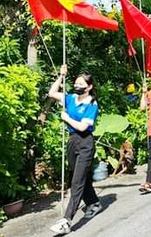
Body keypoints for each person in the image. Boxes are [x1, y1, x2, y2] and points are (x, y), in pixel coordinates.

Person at [48, 65, 101, 235]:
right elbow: (52, 93)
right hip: (72, 142)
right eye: (76, 83)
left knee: (76, 182)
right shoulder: (70, 98)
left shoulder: (92, 104)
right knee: (78, 177)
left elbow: (83, 126)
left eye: (81, 84)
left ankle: (66, 220)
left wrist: (66, 118)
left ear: (89, 87)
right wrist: (61, 77)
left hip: (85, 143)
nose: (77, 86)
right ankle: (94, 203)